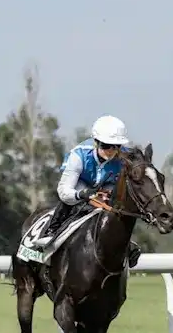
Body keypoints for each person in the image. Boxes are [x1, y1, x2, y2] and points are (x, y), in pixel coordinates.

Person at [33, 114, 142, 267]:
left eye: (115, 146)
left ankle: (124, 243)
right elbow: (64, 192)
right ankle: (52, 231)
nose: (111, 151)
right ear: (96, 142)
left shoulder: (124, 157)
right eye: (105, 145)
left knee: (116, 205)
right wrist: (82, 194)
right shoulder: (79, 155)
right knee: (74, 200)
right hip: (80, 184)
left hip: (106, 184)